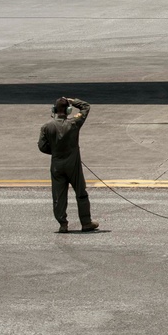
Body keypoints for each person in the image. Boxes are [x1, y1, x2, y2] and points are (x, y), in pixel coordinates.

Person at [38, 97, 99, 233]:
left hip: (56, 165)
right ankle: (86, 222)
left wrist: (55, 151)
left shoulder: (47, 127)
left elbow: (42, 147)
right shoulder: (74, 123)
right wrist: (73, 100)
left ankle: (63, 224)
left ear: (54, 110)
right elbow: (86, 107)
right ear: (68, 110)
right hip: (73, 164)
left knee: (59, 196)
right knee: (81, 193)